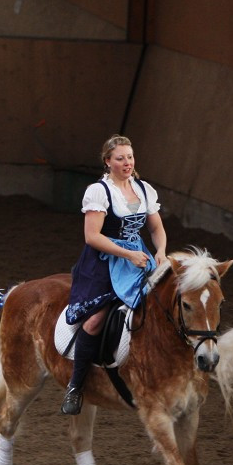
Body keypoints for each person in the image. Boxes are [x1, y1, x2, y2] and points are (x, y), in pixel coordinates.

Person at [61, 134, 168, 415]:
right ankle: (76, 386)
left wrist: (162, 251)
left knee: (165, 305)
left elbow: (155, 228)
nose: (127, 163)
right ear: (108, 161)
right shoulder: (99, 192)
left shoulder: (144, 189)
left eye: (130, 157)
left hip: (139, 257)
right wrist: (128, 254)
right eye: (120, 158)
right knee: (95, 319)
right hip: (105, 261)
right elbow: (92, 236)